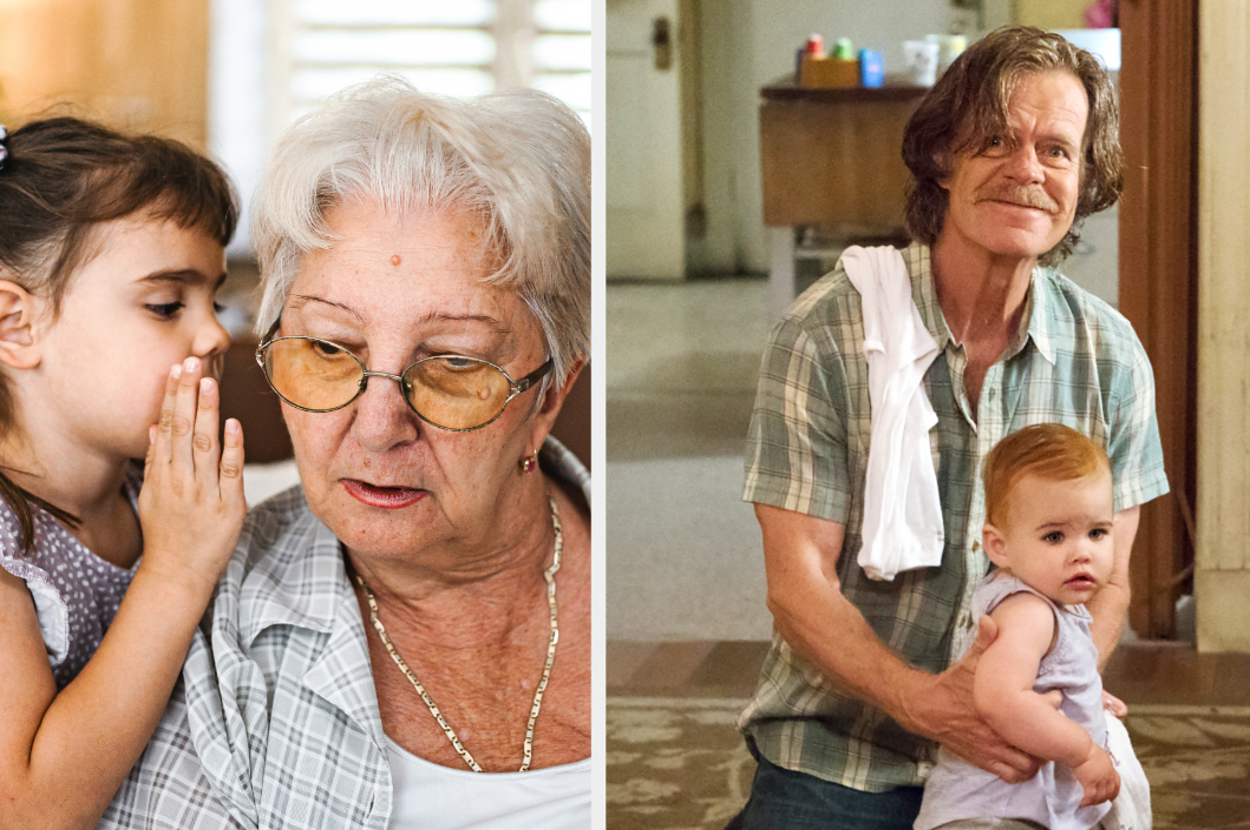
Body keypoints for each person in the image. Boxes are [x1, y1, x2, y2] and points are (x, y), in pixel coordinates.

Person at [103, 77, 591, 829]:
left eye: (454, 362)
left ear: (549, 394)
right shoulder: (194, 636)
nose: (376, 427)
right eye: (329, 348)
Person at [729, 26, 1167, 830]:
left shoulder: (1112, 356)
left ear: (1085, 179)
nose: (1027, 169)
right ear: (940, 156)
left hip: (1022, 741)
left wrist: (1058, 680)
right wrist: (931, 703)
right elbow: (796, 589)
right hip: (846, 744)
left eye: (1058, 151)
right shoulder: (825, 333)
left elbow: (1109, 582)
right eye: (996, 139)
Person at [0, 118, 245, 827]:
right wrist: (177, 571)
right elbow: (28, 812)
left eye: (215, 299)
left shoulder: (147, 494)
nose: (215, 334)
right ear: (15, 326)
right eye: (167, 304)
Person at [914, 423, 1122, 830]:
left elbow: (1042, 679)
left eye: (1097, 532)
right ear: (999, 547)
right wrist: (1082, 750)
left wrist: (1086, 695)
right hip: (991, 814)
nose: (1082, 552)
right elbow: (1000, 697)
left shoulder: (1052, 605)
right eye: (1054, 537)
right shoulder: (1028, 610)